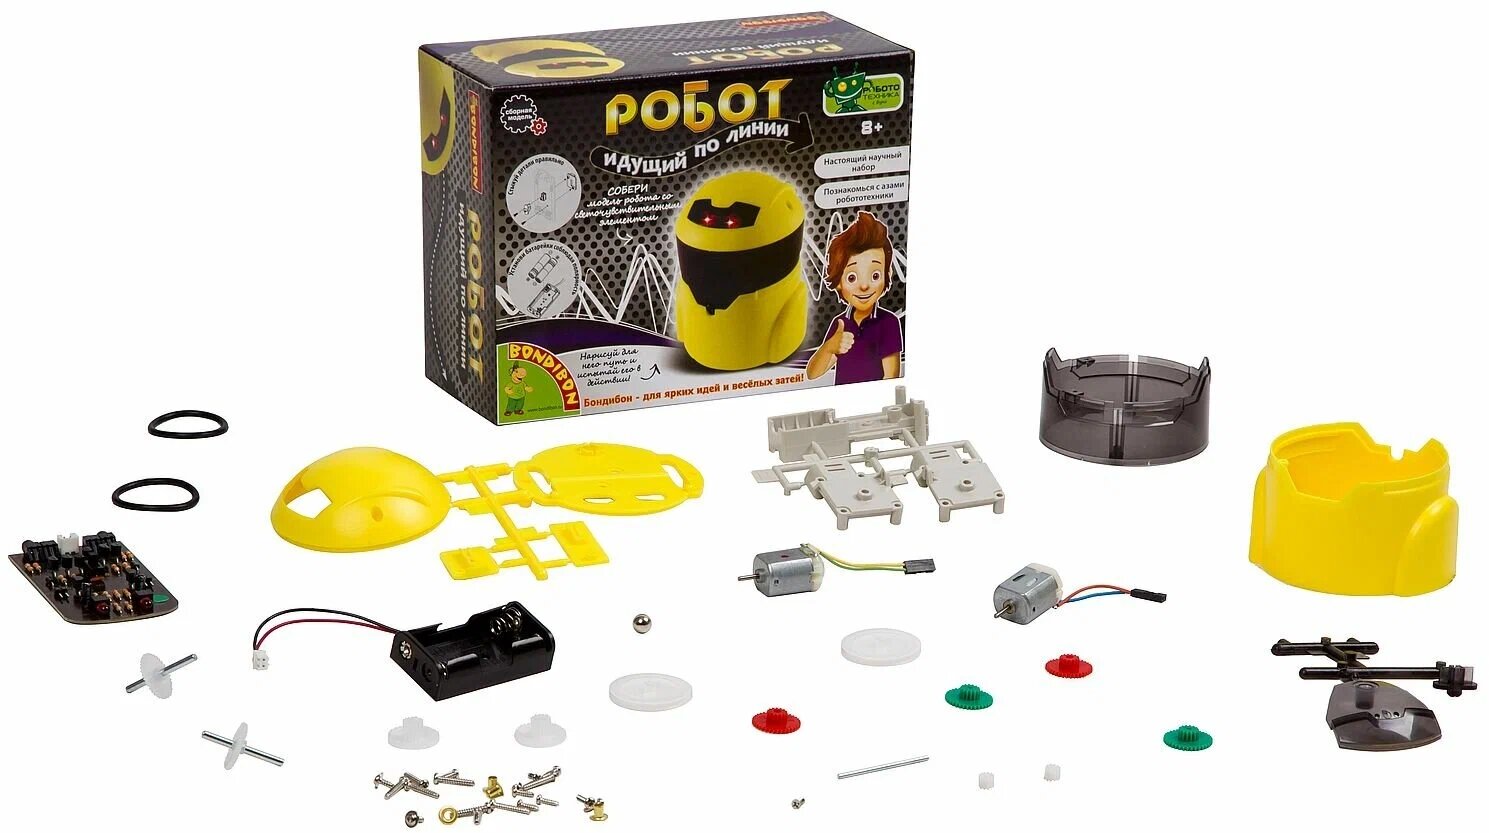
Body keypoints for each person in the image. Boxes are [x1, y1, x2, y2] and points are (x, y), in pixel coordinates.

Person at [806, 211, 903, 384]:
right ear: (838, 281)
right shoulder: (840, 323)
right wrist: (828, 347)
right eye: (852, 277)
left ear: (887, 273)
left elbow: (891, 378)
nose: (864, 286)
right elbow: (812, 374)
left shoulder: (888, 323)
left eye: (875, 275)